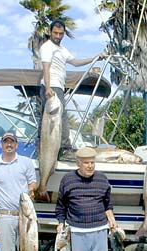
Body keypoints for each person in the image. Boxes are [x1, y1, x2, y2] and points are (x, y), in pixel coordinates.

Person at [55, 147, 117, 251]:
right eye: (86, 163)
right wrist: (61, 223)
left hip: (100, 228)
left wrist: (111, 219)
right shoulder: (68, 180)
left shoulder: (102, 179)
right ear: (78, 163)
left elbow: (107, 204)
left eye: (92, 162)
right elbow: (61, 205)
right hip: (77, 230)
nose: (90, 166)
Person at [39, 19, 104, 156]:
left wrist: (94, 58)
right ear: (50, 32)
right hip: (52, 86)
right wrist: (48, 88)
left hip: (59, 87)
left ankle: (59, 148)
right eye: (55, 33)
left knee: (59, 118)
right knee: (58, 118)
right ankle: (63, 148)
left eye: (61, 34)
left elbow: (75, 62)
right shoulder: (47, 47)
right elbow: (46, 67)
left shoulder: (62, 50)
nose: (58, 36)